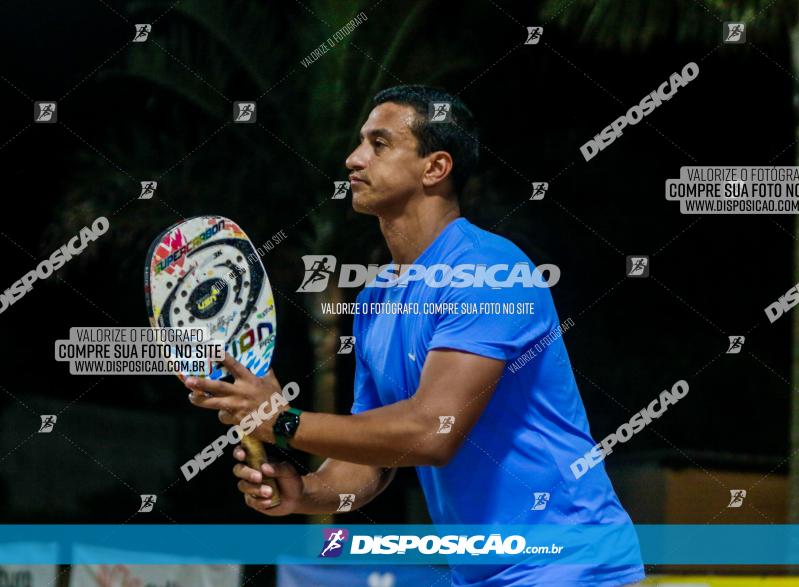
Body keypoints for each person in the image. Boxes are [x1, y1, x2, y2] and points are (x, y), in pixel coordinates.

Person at [185, 85, 645, 586]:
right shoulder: (376, 298)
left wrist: (283, 420)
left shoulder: (490, 272)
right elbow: (372, 461)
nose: (353, 158)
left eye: (378, 144)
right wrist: (307, 492)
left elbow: (432, 431)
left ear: (435, 168)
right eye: (360, 142)